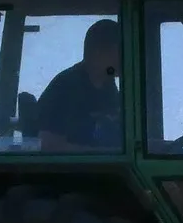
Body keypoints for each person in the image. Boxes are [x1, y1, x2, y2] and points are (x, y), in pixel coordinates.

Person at [36, 19, 122, 152]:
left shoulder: (108, 86)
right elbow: (48, 146)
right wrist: (106, 154)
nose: (124, 58)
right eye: (120, 52)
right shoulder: (65, 88)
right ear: (98, 53)